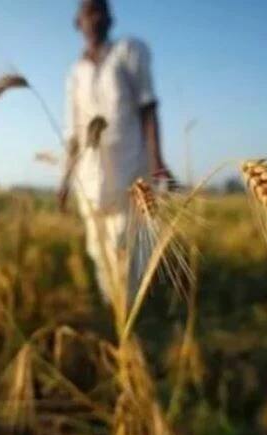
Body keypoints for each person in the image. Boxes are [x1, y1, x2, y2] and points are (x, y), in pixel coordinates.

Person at [58, 0, 173, 304]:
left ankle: (132, 307)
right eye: (87, 13)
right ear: (77, 22)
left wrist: (157, 161)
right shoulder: (74, 73)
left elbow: (148, 107)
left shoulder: (129, 52)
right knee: (98, 243)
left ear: (110, 19)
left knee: (126, 237)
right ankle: (113, 307)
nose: (93, 19)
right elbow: (73, 131)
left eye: (99, 11)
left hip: (130, 163)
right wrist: (65, 180)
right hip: (88, 170)